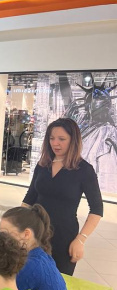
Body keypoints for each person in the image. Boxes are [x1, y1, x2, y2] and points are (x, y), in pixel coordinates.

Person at [22, 117, 103, 275]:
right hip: (36, 232)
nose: (55, 143)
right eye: (52, 138)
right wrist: (17, 225)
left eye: (61, 139)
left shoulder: (84, 170)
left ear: (73, 140)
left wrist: (80, 239)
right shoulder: (43, 165)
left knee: (58, 281)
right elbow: (29, 198)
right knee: (30, 278)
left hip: (64, 236)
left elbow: (97, 209)